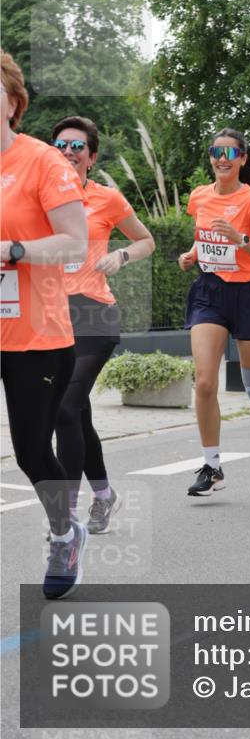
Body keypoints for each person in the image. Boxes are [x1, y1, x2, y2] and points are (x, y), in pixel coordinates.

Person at [0, 50, 89, 598]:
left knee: (32, 451)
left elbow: (75, 243)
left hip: (34, 333)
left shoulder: (43, 162)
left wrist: (14, 248)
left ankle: (64, 531)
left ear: (13, 103)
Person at [51, 117, 155, 533]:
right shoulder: (39, 200)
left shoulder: (107, 199)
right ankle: (104, 496)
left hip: (94, 316)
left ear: (91, 158)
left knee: (63, 409)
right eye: (62, 144)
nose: (69, 151)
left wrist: (122, 257)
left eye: (78, 147)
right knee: (78, 416)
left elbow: (146, 239)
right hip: (52, 319)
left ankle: (67, 516)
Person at [179, 128, 250, 498]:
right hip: (209, 292)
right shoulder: (200, 196)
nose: (222, 158)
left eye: (229, 152)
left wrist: (239, 238)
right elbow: (203, 235)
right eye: (215, 152)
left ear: (241, 158)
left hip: (248, 293)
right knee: (205, 382)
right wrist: (193, 253)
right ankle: (212, 465)